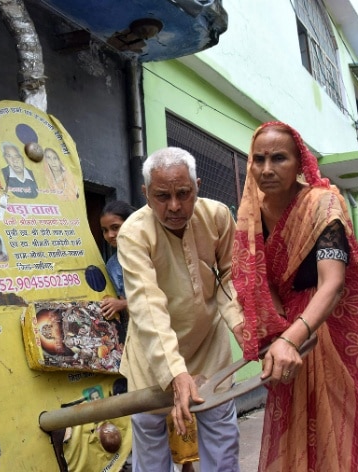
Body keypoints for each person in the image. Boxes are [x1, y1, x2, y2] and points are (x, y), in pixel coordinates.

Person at [232, 121, 358, 471]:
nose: (267, 169)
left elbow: (332, 283)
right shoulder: (249, 212)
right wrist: (273, 332)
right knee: (296, 431)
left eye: (279, 158)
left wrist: (290, 337)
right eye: (259, 159)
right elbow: (256, 279)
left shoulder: (323, 204)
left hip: (334, 328)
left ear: (300, 162)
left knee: (344, 430)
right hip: (290, 333)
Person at [117, 147, 244, 472]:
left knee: (222, 450)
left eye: (183, 193)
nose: (174, 206)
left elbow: (232, 274)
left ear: (197, 187)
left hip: (209, 351)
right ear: (146, 194)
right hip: (153, 361)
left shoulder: (216, 216)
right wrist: (175, 372)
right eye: (162, 196)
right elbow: (146, 304)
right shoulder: (133, 233)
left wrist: (241, 324)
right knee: (153, 456)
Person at [99, 200, 135, 328]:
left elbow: (168, 293)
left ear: (131, 223)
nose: (110, 235)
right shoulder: (113, 265)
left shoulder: (153, 251)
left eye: (115, 227)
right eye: (105, 230)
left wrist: (123, 304)